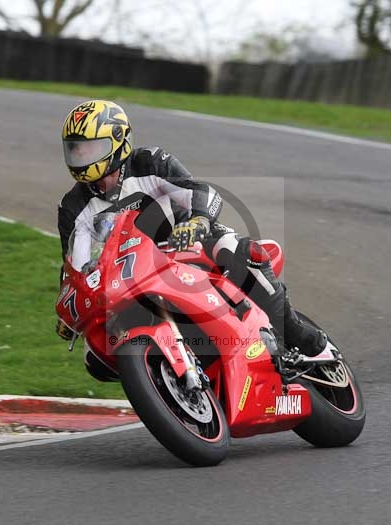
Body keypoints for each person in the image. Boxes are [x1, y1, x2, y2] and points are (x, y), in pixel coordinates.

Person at [55, 100, 330, 372]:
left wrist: (198, 221)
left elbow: (200, 192)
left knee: (239, 253)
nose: (82, 158)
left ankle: (300, 335)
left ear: (118, 140)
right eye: (76, 150)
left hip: (187, 246)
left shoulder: (150, 162)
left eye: (90, 149)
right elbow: (73, 268)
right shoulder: (72, 208)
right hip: (130, 277)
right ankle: (165, 382)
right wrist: (71, 312)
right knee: (96, 357)